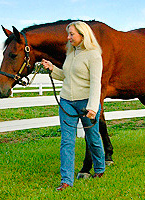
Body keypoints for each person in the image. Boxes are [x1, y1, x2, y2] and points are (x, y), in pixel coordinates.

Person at [41, 21, 105, 191]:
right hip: (66, 102)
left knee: (93, 137)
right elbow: (66, 76)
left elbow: (95, 83)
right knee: (67, 141)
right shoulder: (71, 54)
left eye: (72, 34)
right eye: (68, 34)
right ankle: (66, 180)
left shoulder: (93, 55)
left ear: (83, 35)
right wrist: (52, 68)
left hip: (86, 103)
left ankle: (100, 168)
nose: (68, 37)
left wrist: (93, 107)